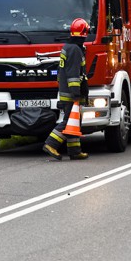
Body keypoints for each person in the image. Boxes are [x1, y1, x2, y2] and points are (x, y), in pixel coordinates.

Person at [42, 18, 90, 161]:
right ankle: (51, 144)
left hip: (67, 91)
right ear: (84, 33)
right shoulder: (75, 50)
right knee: (69, 121)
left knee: (74, 122)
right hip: (71, 93)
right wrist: (76, 94)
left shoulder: (69, 47)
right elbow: (73, 74)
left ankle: (75, 151)